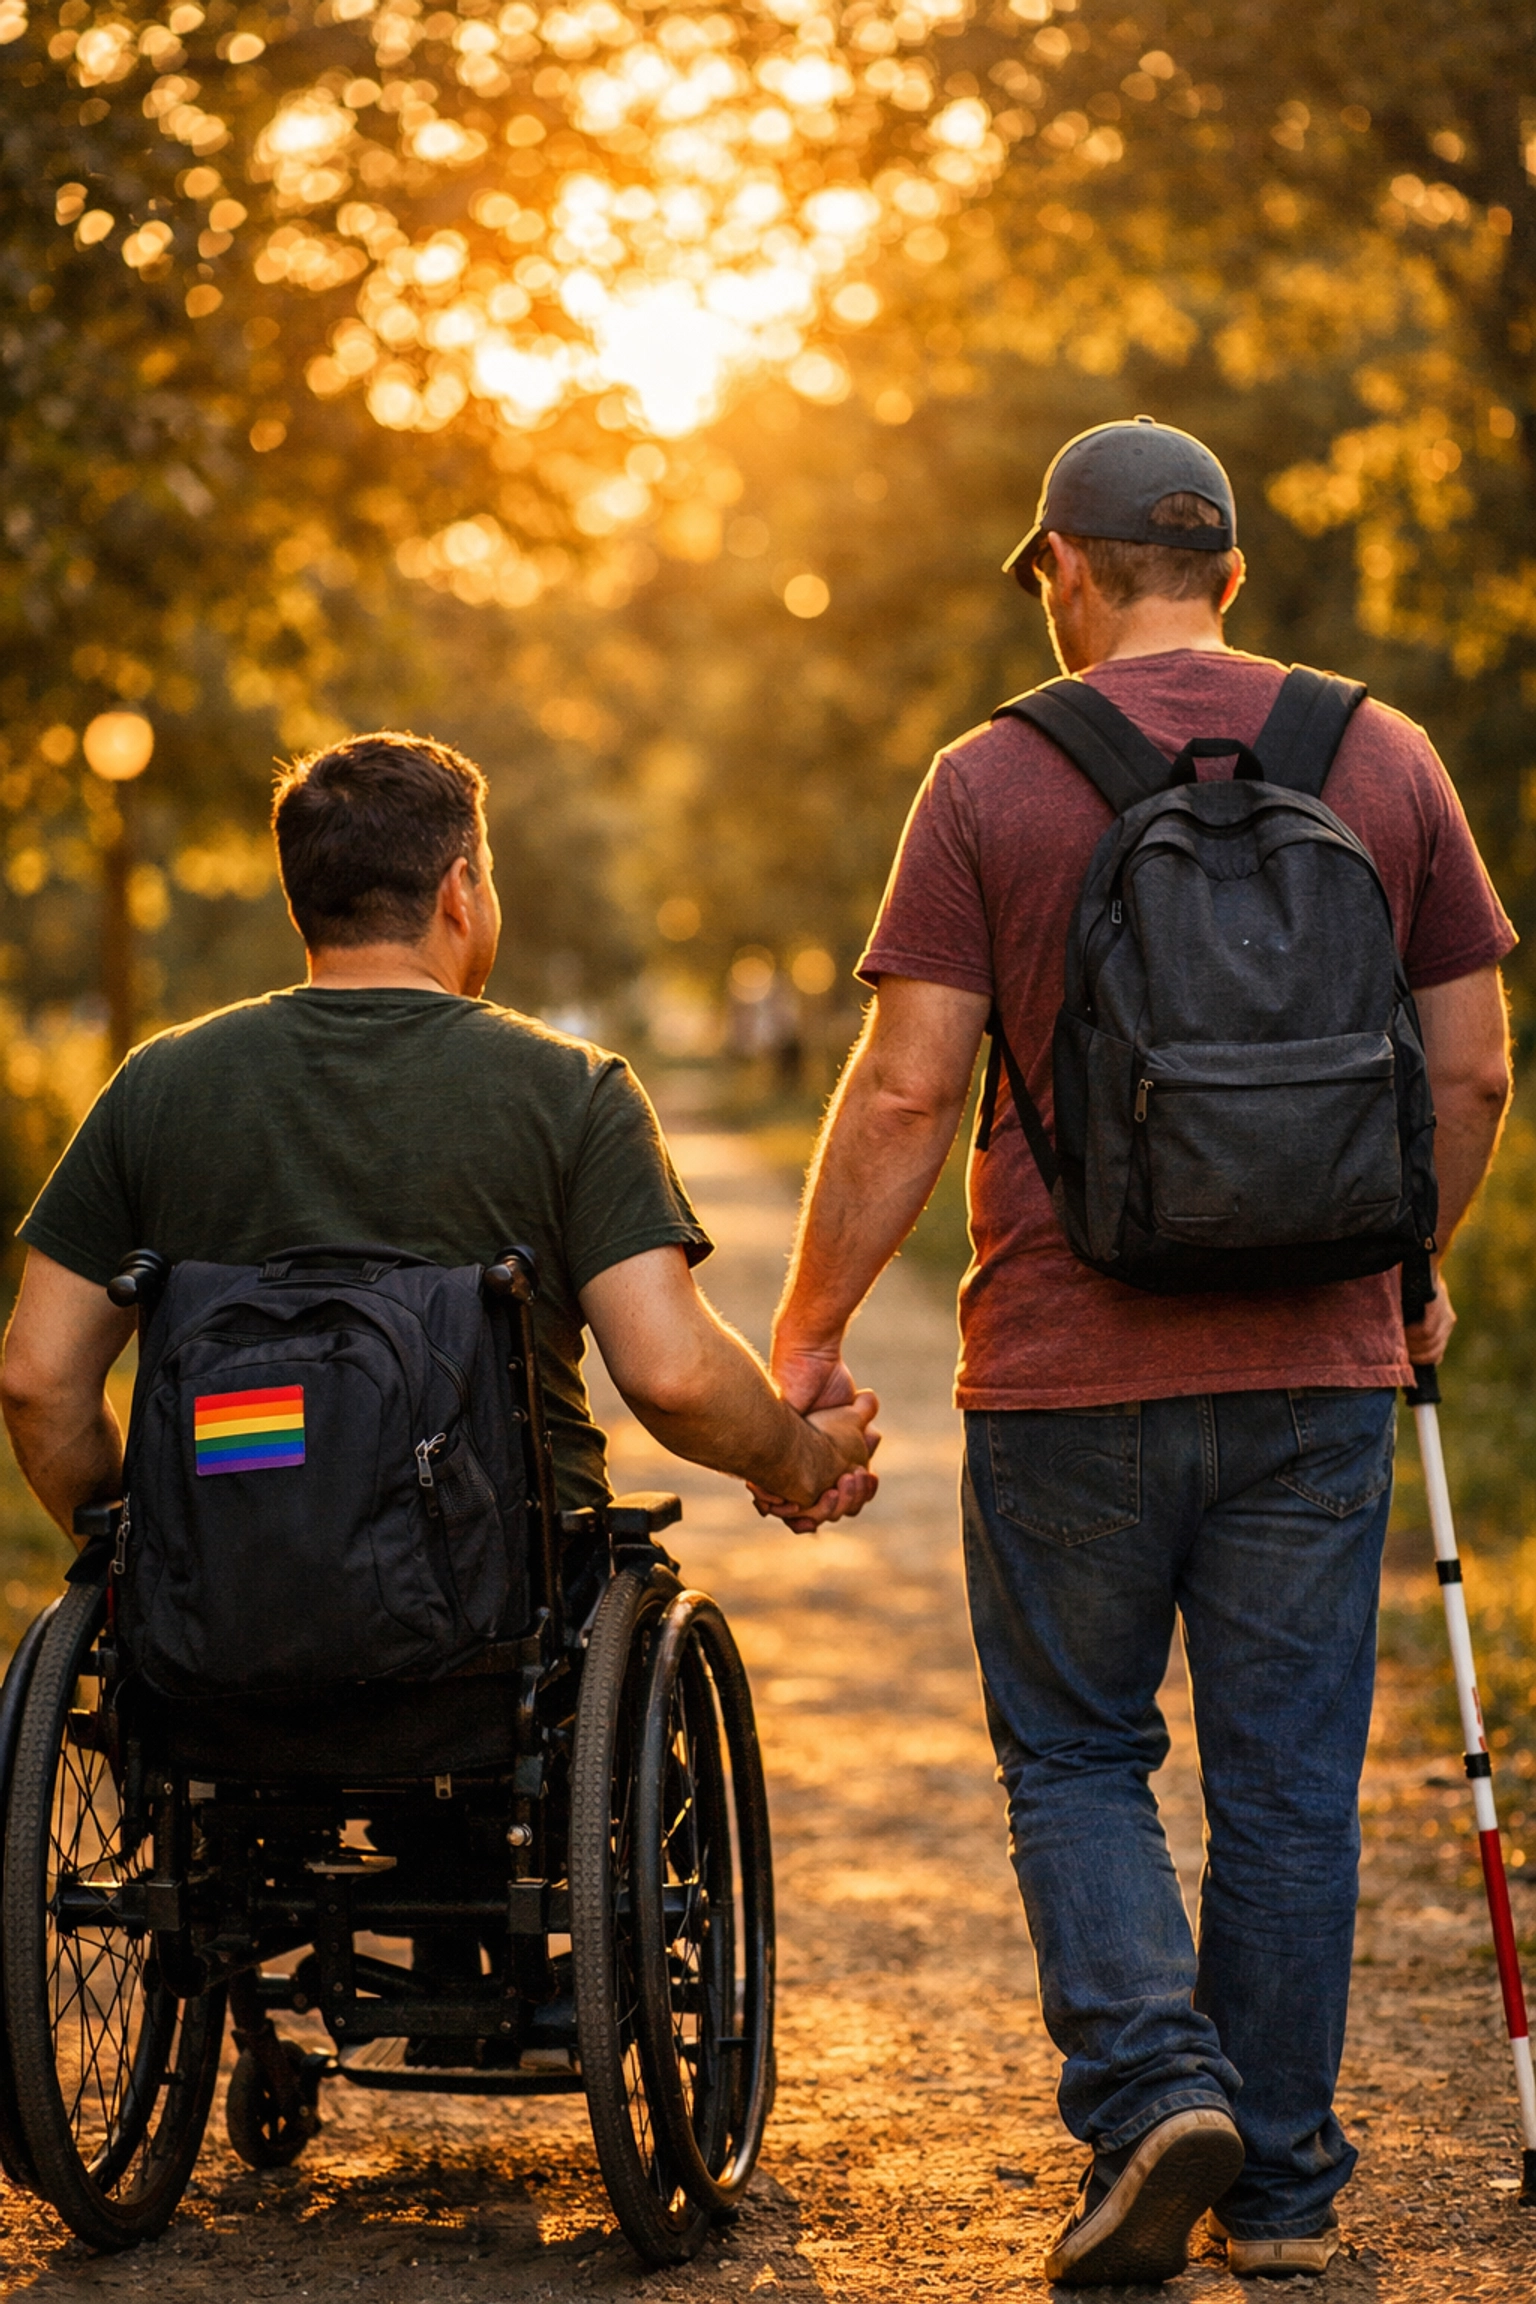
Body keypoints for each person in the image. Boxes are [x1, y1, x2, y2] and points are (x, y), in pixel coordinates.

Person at [759, 420, 1514, 2284]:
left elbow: (910, 1083)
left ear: (1062, 574)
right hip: (1314, 1364)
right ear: (1232, 572)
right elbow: (1477, 1061)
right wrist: (1410, 1262)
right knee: (1284, 1777)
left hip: (1064, 1360)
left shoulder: (989, 779)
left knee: (1079, 1750)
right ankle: (1280, 2184)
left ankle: (1154, 2079)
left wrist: (810, 1330)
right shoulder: (1383, 752)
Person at [1, 730, 878, 1586]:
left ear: (303, 898)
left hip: (215, 1627)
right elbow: (673, 1373)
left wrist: (141, 1561)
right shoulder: (568, 1089)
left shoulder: (158, 1086)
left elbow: (37, 1380)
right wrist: (802, 1458)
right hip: (502, 1625)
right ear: (461, 890)